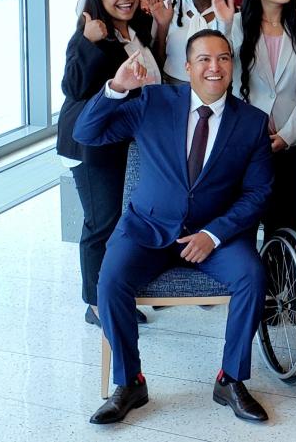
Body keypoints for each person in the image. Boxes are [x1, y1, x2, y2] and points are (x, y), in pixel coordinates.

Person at [75, 29, 273, 424]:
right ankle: (130, 382)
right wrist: (116, 87)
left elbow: (258, 192)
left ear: (232, 65)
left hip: (213, 236)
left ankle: (230, 379)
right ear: (187, 67)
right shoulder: (154, 101)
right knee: (110, 279)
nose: (214, 67)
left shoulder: (252, 123)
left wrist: (213, 234)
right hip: (147, 228)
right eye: (203, 59)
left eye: (223, 58)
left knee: (252, 275)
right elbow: (86, 132)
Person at [58, 0, 161, 328]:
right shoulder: (89, 34)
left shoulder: (137, 30)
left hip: (126, 142)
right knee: (100, 223)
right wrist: (88, 41)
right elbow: (73, 88)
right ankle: (97, 304)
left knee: (120, 222)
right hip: (91, 144)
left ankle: (114, 294)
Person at [210, 0, 296, 237]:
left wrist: (286, 135)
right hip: (243, 141)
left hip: (290, 143)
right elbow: (217, 72)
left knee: (285, 224)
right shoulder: (233, 24)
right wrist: (224, 25)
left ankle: (280, 280)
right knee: (239, 222)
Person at [160, 0, 231, 84]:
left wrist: (226, 23)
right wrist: (162, 26)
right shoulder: (169, 8)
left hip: (218, 88)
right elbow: (157, 56)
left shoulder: (230, 10)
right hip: (174, 88)